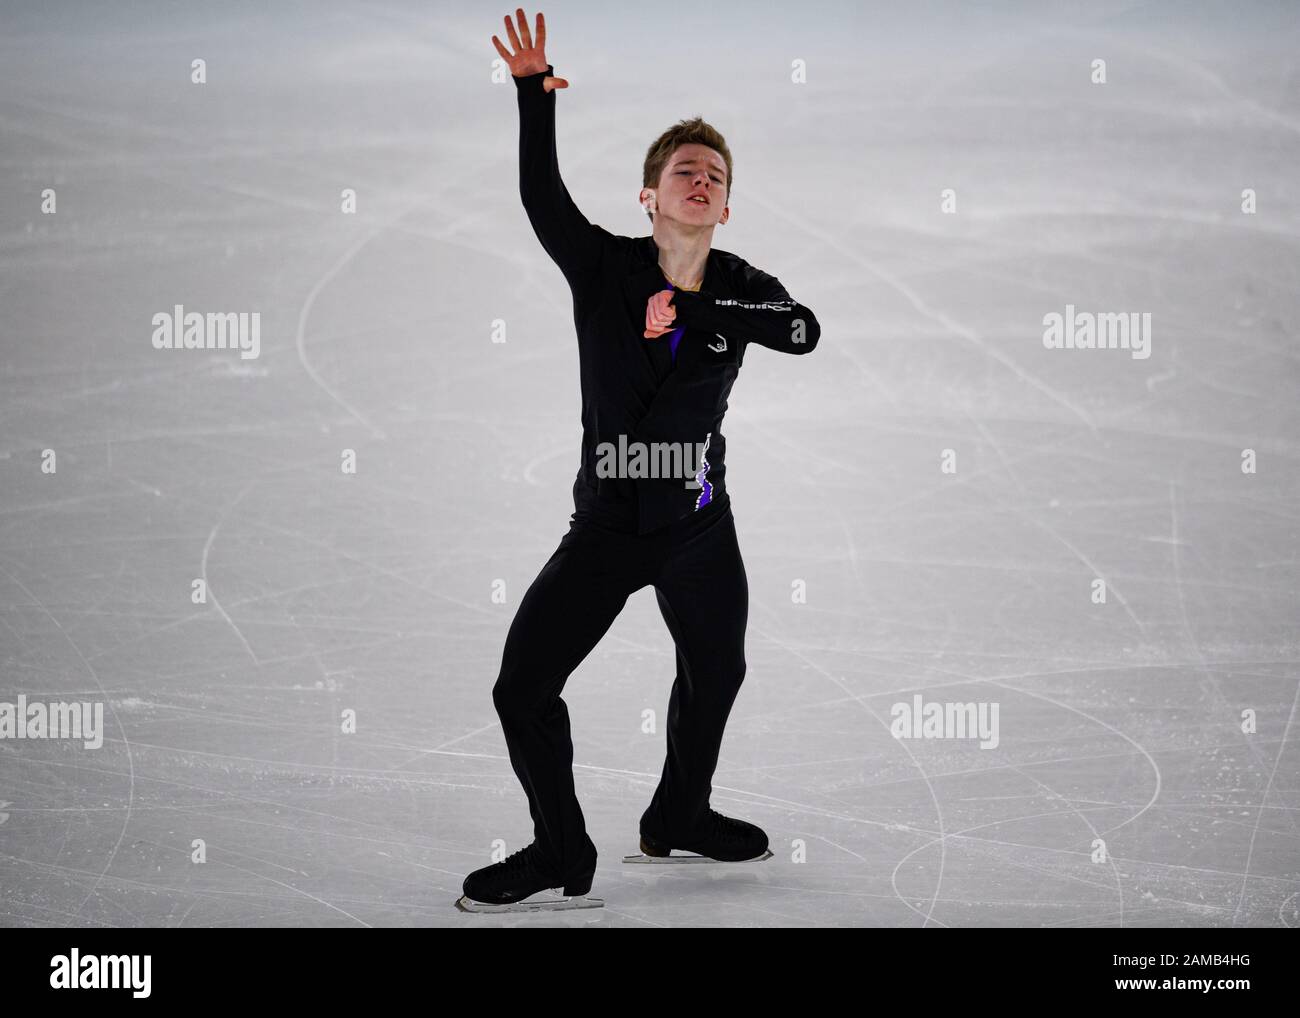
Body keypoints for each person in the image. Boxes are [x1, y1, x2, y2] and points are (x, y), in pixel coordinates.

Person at [459, 8, 820, 912]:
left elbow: (801, 331)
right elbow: (541, 199)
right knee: (522, 688)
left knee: (717, 670)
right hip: (611, 524)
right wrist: (534, 96)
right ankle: (560, 848)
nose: (700, 181)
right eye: (683, 171)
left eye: (714, 177)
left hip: (698, 523)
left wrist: (695, 311)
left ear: (726, 208)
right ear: (650, 197)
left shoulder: (740, 287)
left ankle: (679, 814)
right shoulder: (603, 270)